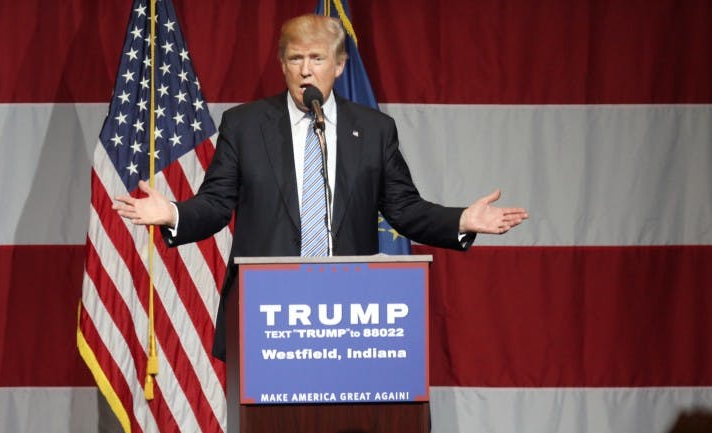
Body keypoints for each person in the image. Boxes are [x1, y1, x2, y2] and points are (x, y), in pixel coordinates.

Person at [113, 14, 528, 357]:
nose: (305, 69)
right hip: (266, 319)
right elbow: (217, 204)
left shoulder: (373, 130)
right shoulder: (245, 126)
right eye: (295, 58)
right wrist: (174, 213)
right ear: (282, 64)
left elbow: (404, 209)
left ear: (340, 64)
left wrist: (462, 220)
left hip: (348, 318)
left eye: (316, 58)